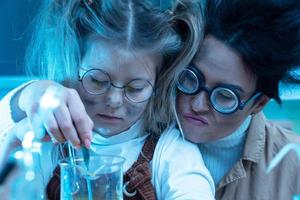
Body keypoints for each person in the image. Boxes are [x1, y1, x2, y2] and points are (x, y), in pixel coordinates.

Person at [0, 0, 215, 199]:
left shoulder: (171, 154)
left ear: (157, 85)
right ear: (73, 66)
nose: (114, 101)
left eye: (135, 88)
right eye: (97, 81)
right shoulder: (47, 144)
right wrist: (14, 145)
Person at [157, 0, 300, 199]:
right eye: (190, 78)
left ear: (259, 104)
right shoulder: (133, 138)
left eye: (225, 96)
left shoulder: (293, 167)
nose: (198, 105)